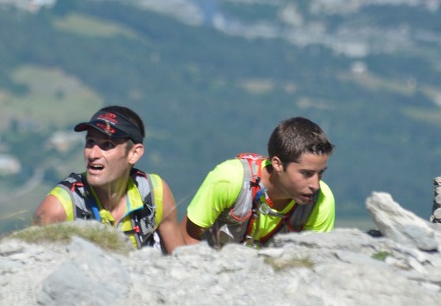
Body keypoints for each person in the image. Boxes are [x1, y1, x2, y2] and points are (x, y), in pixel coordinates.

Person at [32, 105, 186, 254]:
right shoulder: (59, 206)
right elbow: (31, 264)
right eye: (90, 142)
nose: (93, 154)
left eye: (107, 145)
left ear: (134, 153)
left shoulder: (153, 193)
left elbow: (182, 263)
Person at [184, 117, 335, 248]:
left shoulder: (322, 199)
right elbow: (190, 235)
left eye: (321, 172)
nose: (315, 185)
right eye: (306, 173)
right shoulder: (230, 178)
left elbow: (315, 258)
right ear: (278, 164)